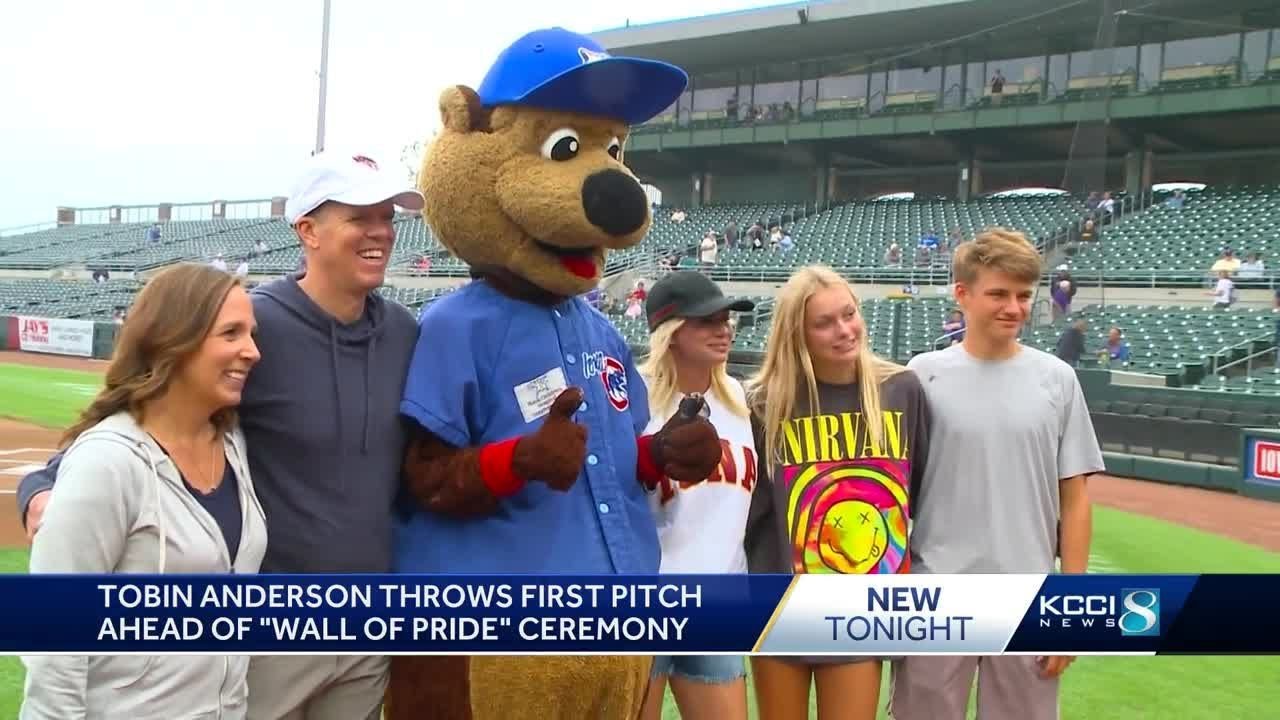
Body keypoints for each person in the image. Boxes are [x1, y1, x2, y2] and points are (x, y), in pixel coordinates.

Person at [18, 150, 425, 720]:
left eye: (386, 216)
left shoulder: (406, 332)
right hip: (268, 633)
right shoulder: (254, 325)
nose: (380, 231)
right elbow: (143, 413)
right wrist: (39, 483)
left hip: (364, 627)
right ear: (307, 229)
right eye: (360, 217)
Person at [20, 263, 267, 718]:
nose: (252, 351)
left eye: (250, 334)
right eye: (231, 333)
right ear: (174, 340)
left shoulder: (234, 444)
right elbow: (54, 642)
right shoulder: (107, 462)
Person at [893, 229, 1104, 720]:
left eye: (1023, 295)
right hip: (934, 595)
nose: (1014, 307)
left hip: (1028, 595)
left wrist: (1071, 607)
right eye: (998, 294)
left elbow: (1074, 499)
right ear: (962, 294)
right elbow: (893, 492)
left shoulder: (1058, 379)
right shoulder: (922, 375)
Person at [743, 265, 931, 720]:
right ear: (798, 334)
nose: (844, 330)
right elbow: (749, 512)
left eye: (848, 314)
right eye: (824, 323)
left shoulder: (900, 389)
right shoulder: (763, 403)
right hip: (778, 601)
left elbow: (921, 495)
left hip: (861, 608)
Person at [636, 271, 758, 720]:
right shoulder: (631, 398)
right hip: (644, 603)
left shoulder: (743, 403)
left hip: (719, 601)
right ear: (670, 331)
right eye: (707, 320)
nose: (723, 329)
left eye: (726, 319)